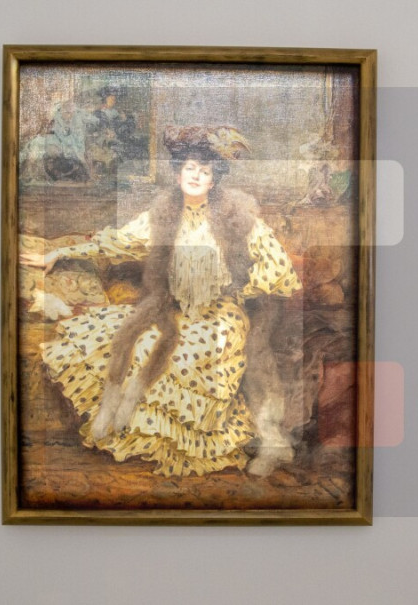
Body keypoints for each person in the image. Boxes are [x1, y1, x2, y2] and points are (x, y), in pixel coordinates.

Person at [21, 126, 301, 477]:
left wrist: (240, 290)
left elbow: (278, 265)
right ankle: (122, 422)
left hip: (221, 315)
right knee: (132, 341)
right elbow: (116, 242)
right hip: (172, 309)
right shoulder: (162, 216)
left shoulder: (236, 218)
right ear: (178, 174)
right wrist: (59, 253)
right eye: (189, 168)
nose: (195, 175)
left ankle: (255, 442)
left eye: (204, 171)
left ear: (213, 180)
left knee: (193, 356)